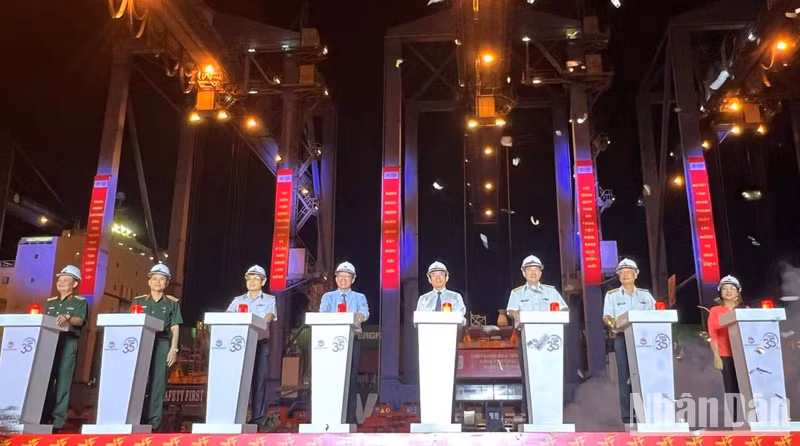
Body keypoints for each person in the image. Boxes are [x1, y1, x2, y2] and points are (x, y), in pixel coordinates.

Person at [602, 258, 655, 425]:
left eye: (628, 272)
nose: (625, 275)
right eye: (621, 273)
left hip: (644, 340)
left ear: (636, 274)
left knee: (645, 376)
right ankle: (628, 417)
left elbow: (656, 315)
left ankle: (647, 414)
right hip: (622, 339)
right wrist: (616, 325)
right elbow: (607, 316)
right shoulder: (612, 296)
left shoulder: (646, 296)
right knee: (626, 378)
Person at [225, 265, 277, 429]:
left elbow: (268, 317)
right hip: (240, 345)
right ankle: (235, 416)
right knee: (239, 380)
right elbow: (227, 316)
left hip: (259, 344)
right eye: (250, 278)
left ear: (263, 281)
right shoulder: (238, 300)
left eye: (256, 279)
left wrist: (260, 320)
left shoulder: (269, 299)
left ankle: (258, 419)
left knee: (258, 381)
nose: (252, 282)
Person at [133, 263, 183, 430]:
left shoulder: (172, 303)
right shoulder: (139, 301)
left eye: (162, 279)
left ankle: (153, 424)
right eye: (154, 279)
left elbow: (175, 327)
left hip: (162, 344)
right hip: (141, 344)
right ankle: (135, 419)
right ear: (149, 282)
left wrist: (173, 349)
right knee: (138, 380)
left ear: (167, 283)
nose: (157, 282)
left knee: (158, 383)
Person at [319, 261, 369, 423]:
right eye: (340, 276)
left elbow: (364, 312)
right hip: (331, 342)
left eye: (347, 277)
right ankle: (328, 417)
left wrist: (360, 316)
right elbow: (323, 312)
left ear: (353, 280)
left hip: (352, 340)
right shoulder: (328, 297)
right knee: (331, 378)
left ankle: (349, 419)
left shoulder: (359, 297)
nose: (343, 279)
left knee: (351, 378)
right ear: (335, 278)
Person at [42, 265, 88, 432]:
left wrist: (68, 318)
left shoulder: (79, 302)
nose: (61, 283)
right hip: (49, 345)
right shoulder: (50, 303)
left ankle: (57, 422)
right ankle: (42, 417)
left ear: (74, 284)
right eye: (60, 280)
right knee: (45, 381)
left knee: (63, 383)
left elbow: (80, 320)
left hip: (68, 344)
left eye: (66, 280)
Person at [707, 275, 742, 425]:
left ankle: (751, 417)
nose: (728, 291)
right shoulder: (715, 311)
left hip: (743, 355)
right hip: (726, 355)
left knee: (746, 386)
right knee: (731, 386)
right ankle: (736, 420)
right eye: (725, 289)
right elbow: (713, 335)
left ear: (738, 292)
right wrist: (716, 356)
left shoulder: (745, 310)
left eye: (732, 288)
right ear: (720, 292)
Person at [506, 255, 569, 326]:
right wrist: (514, 314)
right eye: (529, 270)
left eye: (536, 270)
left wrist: (560, 315)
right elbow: (511, 311)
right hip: (525, 332)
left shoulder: (551, 292)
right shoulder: (516, 293)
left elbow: (564, 309)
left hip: (550, 330)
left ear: (540, 273)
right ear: (524, 273)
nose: (533, 273)